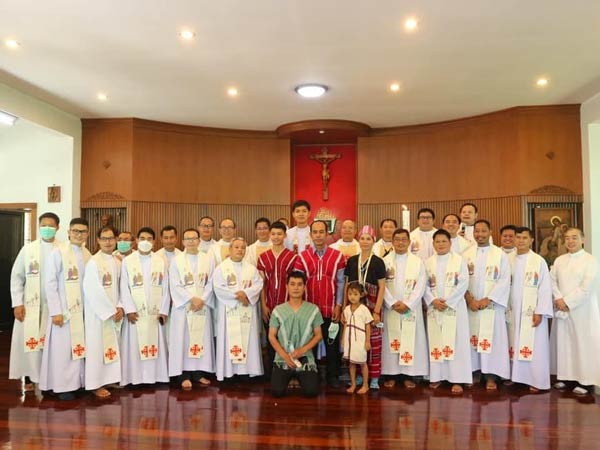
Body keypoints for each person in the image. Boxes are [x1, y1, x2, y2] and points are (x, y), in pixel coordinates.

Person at [39, 218, 91, 400]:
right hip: (63, 312)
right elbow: (50, 283)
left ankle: (76, 383)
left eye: (82, 231)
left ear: (87, 234)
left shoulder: (87, 254)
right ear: (68, 232)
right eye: (75, 231)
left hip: (81, 311)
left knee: (77, 348)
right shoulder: (58, 252)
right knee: (61, 350)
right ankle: (60, 386)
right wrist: (56, 311)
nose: (79, 234)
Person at [9, 212, 61, 392]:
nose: (47, 228)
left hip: (54, 306)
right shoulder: (28, 250)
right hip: (30, 305)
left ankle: (49, 378)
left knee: (50, 341)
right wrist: (17, 303)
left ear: (58, 227)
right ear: (39, 227)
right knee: (29, 340)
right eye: (43, 225)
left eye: (51, 225)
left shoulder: (63, 249)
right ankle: (29, 376)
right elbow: (17, 277)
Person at [294, 220, 346, 387]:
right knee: (309, 343)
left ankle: (333, 375)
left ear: (327, 234)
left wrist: (338, 305)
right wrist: (300, 307)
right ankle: (311, 374)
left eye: (321, 232)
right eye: (315, 232)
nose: (318, 235)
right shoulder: (302, 257)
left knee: (332, 343)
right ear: (310, 235)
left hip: (330, 308)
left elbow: (341, 283)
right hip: (309, 310)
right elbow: (297, 284)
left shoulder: (337, 256)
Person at [550, 228, 600, 395]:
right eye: (567, 238)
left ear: (583, 240)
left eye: (574, 238)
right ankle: (566, 377)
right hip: (562, 308)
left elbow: (587, 287)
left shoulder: (590, 261)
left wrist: (567, 302)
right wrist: (558, 298)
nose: (570, 241)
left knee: (582, 344)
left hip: (583, 309)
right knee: (564, 343)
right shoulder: (559, 260)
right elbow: (552, 281)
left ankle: (585, 381)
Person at [463, 220, 511, 390]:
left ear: (490, 232)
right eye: (477, 231)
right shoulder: (466, 254)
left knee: (491, 340)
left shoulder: (500, 254)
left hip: (491, 306)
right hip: (471, 306)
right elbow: (460, 280)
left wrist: (488, 299)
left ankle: (491, 375)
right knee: (472, 338)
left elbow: (504, 280)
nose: (480, 234)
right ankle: (474, 372)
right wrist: (469, 299)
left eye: (484, 231)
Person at [120, 227, 170, 386]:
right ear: (136, 240)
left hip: (155, 313)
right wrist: (129, 310)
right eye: (142, 238)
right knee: (135, 345)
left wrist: (164, 310)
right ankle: (135, 378)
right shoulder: (128, 261)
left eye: (149, 239)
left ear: (154, 242)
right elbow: (124, 287)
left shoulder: (160, 261)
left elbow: (166, 287)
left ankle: (156, 376)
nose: (145, 241)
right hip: (136, 313)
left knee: (155, 343)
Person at [424, 229, 472, 394]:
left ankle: (457, 379)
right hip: (435, 307)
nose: (441, 244)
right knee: (436, 340)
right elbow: (423, 285)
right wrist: (433, 300)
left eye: (444, 241)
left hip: (455, 307)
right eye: (437, 241)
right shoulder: (428, 262)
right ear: (433, 244)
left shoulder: (459, 261)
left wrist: (448, 302)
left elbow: (463, 283)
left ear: (450, 243)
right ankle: (437, 376)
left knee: (456, 342)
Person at [169, 228, 215, 389]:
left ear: (199, 240)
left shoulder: (208, 259)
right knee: (183, 340)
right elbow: (174, 284)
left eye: (194, 238)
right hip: (184, 308)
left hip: (202, 306)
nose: (191, 241)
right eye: (187, 239)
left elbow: (212, 282)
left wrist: (202, 299)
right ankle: (183, 375)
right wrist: (191, 299)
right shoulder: (176, 260)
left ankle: (198, 373)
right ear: (182, 241)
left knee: (200, 339)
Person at [381, 228, 428, 389]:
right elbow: (382, 285)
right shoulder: (385, 261)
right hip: (391, 309)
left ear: (409, 242)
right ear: (392, 242)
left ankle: (409, 375)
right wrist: (392, 302)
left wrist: (408, 303)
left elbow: (421, 285)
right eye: (397, 239)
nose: (400, 242)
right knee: (392, 342)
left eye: (403, 240)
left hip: (410, 309)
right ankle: (391, 374)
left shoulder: (418, 262)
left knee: (410, 340)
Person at [213, 238, 264, 382]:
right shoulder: (221, 268)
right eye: (236, 247)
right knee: (230, 340)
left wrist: (246, 294)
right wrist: (240, 296)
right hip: (229, 310)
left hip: (246, 310)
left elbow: (258, 284)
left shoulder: (251, 268)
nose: (240, 250)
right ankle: (229, 372)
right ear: (230, 249)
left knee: (248, 340)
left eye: (243, 247)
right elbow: (218, 288)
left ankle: (247, 372)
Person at [509, 227, 553, 392]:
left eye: (524, 238)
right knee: (514, 342)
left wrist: (540, 311)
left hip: (532, 311)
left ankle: (536, 380)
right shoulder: (508, 259)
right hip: (513, 310)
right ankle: (517, 377)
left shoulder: (538, 261)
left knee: (535, 345)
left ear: (531, 240)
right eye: (518, 237)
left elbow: (545, 288)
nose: (520, 240)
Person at [83, 226, 123, 398]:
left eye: (111, 238)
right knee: (97, 349)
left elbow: (122, 287)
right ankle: (95, 384)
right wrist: (109, 311)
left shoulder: (117, 261)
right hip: (98, 315)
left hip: (114, 313)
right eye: (104, 239)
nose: (108, 242)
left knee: (112, 347)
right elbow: (92, 290)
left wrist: (120, 306)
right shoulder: (94, 262)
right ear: (98, 240)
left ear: (116, 240)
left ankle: (109, 379)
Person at [343, 225, 386, 389]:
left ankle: (374, 377)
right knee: (356, 340)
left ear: (373, 241)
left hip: (373, 306)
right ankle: (360, 377)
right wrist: (345, 308)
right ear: (358, 240)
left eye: (369, 238)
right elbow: (347, 286)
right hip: (354, 307)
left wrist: (377, 311)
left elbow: (382, 287)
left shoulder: (378, 262)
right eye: (362, 238)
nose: (365, 241)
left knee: (373, 342)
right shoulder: (352, 260)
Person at [269, 271, 323, 398]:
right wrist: (285, 356)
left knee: (311, 392)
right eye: (292, 284)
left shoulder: (313, 310)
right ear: (287, 287)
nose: (296, 288)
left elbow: (318, 335)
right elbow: (271, 336)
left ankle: (299, 377)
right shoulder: (278, 310)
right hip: (283, 359)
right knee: (277, 392)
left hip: (305, 359)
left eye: (299, 284)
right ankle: (290, 377)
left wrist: (302, 350)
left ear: (304, 287)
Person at [257, 221, 297, 378]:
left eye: (279, 234)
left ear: (285, 235)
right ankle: (274, 373)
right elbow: (261, 284)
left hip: (287, 305)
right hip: (269, 306)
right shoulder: (263, 257)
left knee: (288, 338)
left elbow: (295, 284)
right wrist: (263, 305)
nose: (276, 237)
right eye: (273, 234)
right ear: (269, 235)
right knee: (271, 339)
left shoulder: (292, 257)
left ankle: (289, 372)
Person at [342, 282, 373, 394]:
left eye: (355, 294)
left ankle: (365, 385)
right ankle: (353, 384)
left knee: (363, 363)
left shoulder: (364, 309)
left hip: (360, 339)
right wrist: (343, 338)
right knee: (351, 363)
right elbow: (345, 324)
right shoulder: (346, 309)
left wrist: (367, 341)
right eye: (350, 294)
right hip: (349, 339)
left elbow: (368, 325)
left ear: (361, 295)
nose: (352, 297)